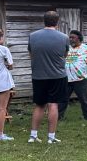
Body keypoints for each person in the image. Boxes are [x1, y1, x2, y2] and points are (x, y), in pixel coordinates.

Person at [27, 10, 69, 144]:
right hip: (57, 75)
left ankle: (33, 136)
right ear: (57, 22)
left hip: (39, 75)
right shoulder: (64, 37)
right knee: (53, 105)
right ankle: (51, 137)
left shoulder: (32, 36)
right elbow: (65, 54)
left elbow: (31, 54)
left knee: (39, 105)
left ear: (44, 20)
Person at [58, 30, 87, 121]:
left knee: (85, 100)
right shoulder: (66, 48)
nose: (71, 39)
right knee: (62, 99)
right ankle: (58, 117)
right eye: (70, 38)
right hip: (66, 79)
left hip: (81, 79)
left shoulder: (86, 49)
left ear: (79, 38)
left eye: (73, 37)